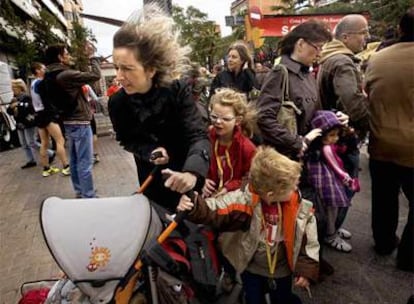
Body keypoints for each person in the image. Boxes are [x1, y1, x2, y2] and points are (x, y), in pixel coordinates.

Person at [177, 146, 319, 304]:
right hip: (251, 267)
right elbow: (215, 208)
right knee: (253, 299)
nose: (295, 189)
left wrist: (306, 270)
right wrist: (194, 204)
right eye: (291, 186)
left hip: (281, 270)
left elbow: (309, 241)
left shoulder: (300, 209)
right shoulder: (245, 201)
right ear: (271, 195)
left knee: (282, 297)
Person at [108, 4, 210, 210]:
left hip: (186, 175)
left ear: (151, 69)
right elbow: (127, 140)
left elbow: (198, 135)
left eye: (127, 68)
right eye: (116, 67)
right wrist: (150, 151)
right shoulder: (117, 103)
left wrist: (193, 173)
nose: (119, 77)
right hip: (152, 183)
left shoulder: (177, 90)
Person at [256, 20, 337, 277]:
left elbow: (314, 112)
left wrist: (334, 118)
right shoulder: (280, 74)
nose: (320, 52)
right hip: (288, 160)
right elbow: (263, 117)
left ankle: (309, 261)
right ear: (300, 44)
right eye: (318, 46)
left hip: (310, 157)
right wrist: (296, 141)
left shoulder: (307, 72)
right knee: (307, 216)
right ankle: (302, 266)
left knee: (315, 215)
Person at [365, 7, 414, 272]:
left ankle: (384, 242)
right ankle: (408, 256)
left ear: (401, 29)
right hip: (411, 148)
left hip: (380, 142)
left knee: (384, 198)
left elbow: (368, 91)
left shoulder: (378, 58)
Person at [317, 14, 370, 239]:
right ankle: (331, 234)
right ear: (346, 37)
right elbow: (353, 102)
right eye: (363, 32)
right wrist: (369, 124)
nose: (366, 38)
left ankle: (333, 229)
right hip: (343, 137)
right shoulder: (342, 61)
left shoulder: (330, 58)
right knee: (346, 186)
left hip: (333, 135)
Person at [44, 43, 101, 198]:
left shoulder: (50, 74)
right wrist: (92, 57)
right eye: (66, 53)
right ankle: (89, 195)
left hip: (68, 121)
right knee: (85, 162)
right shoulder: (65, 75)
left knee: (75, 160)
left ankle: (79, 191)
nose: (68, 56)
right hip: (80, 121)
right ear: (60, 57)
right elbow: (96, 75)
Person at [306, 110, 360, 253]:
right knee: (331, 209)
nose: (335, 138)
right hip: (327, 184)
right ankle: (331, 234)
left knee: (333, 209)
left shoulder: (328, 146)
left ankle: (333, 229)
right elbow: (337, 168)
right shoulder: (324, 150)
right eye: (331, 135)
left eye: (337, 135)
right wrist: (347, 179)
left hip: (329, 181)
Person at [203, 88, 257, 198]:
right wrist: (202, 180)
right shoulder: (205, 138)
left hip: (233, 203)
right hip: (205, 199)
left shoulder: (247, 148)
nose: (218, 122)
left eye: (225, 119)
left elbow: (250, 179)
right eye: (214, 117)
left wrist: (230, 188)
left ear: (238, 120)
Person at [30, 62, 70, 177]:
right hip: (47, 114)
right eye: (43, 68)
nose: (45, 69)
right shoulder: (41, 83)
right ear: (37, 70)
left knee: (44, 142)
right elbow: (49, 97)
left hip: (39, 114)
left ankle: (46, 168)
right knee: (59, 140)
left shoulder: (33, 83)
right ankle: (66, 166)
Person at [7, 79, 38, 169]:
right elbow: (9, 111)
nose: (13, 90)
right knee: (24, 143)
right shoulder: (14, 98)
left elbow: (30, 108)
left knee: (31, 142)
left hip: (28, 122)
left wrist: (18, 105)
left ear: (19, 88)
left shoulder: (26, 97)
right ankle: (30, 160)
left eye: (14, 88)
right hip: (20, 123)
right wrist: (12, 107)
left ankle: (49, 153)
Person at [82, 84, 100, 164]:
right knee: (93, 133)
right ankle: (95, 154)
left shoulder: (71, 86)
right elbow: (95, 98)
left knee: (83, 134)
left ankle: (86, 155)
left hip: (78, 115)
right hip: (89, 112)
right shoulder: (86, 86)